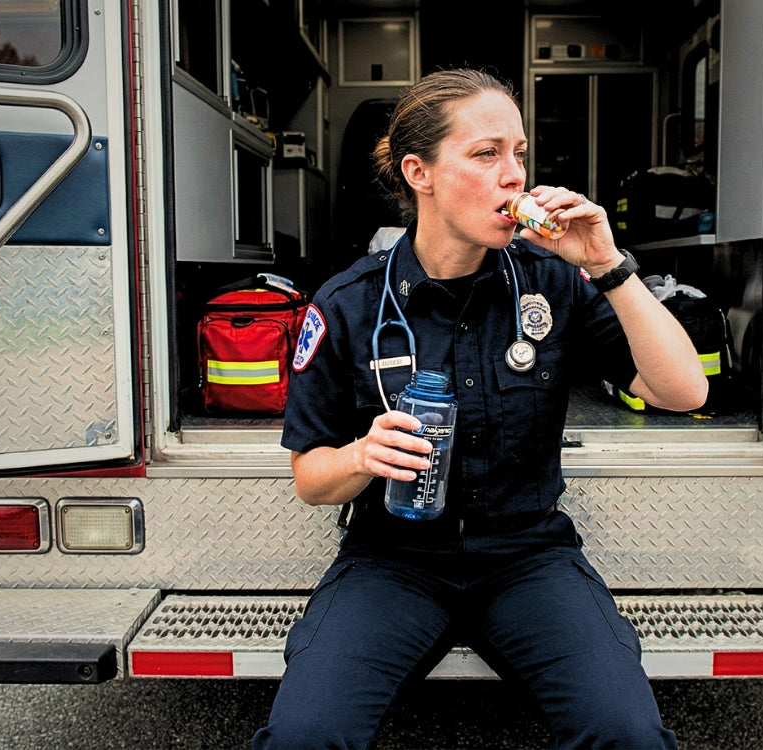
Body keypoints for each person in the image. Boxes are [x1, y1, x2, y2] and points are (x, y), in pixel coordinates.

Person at [252, 68, 707, 750]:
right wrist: (360, 455)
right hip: (394, 559)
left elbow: (683, 391)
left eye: (519, 154)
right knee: (303, 738)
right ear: (420, 173)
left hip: (526, 556)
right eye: (486, 153)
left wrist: (609, 266)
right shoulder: (348, 303)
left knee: (627, 735)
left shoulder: (553, 282)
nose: (513, 175)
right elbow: (311, 478)